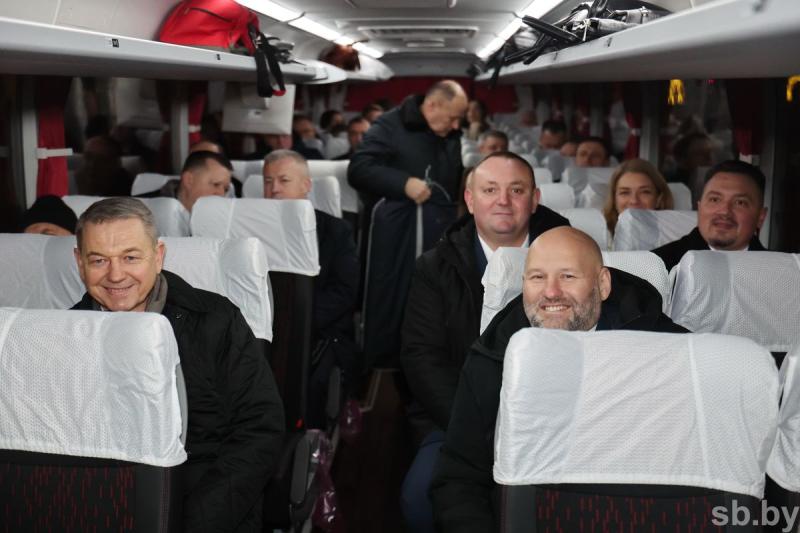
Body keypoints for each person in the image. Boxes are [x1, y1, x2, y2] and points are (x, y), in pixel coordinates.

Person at [430, 226, 688, 533]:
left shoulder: (668, 352)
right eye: (537, 277)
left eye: (567, 276)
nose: (551, 292)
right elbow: (460, 478)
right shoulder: (492, 358)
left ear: (603, 284)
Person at [70, 197, 285, 532]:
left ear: (158, 256)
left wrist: (190, 524)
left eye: (130, 257)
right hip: (101, 503)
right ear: (80, 263)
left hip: (207, 504)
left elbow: (259, 430)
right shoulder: (65, 335)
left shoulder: (216, 320)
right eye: (99, 260)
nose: (116, 275)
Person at [400, 152, 569, 533]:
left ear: (535, 199)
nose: (503, 201)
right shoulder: (435, 267)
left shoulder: (573, 259)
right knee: (419, 499)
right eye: (490, 190)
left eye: (516, 190)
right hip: (455, 416)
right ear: (470, 199)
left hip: (552, 421)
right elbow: (422, 358)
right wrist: (477, 428)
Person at [348, 79, 468, 368]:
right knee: (394, 307)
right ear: (433, 105)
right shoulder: (390, 125)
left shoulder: (449, 133)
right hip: (396, 237)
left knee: (435, 308)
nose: (456, 126)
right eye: (452, 117)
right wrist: (403, 183)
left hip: (438, 232)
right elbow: (359, 169)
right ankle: (386, 373)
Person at [262, 150, 360, 427]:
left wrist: (293, 324)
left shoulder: (335, 231)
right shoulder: (251, 229)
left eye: (283, 180)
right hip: (262, 330)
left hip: (318, 330)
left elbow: (345, 292)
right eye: (268, 181)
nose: (274, 189)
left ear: (306, 186)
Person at [652, 160, 768, 270]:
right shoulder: (656, 267)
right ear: (699, 208)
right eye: (715, 200)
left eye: (740, 202)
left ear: (760, 217)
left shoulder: (776, 269)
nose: (724, 211)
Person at [138, 150, 232, 212]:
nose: (221, 194)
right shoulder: (140, 210)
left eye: (226, 189)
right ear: (189, 180)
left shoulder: (224, 221)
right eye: (216, 184)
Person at [603, 158, 674, 235]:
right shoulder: (599, 237)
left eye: (644, 192)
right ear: (614, 199)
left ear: (658, 199)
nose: (634, 201)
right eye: (625, 192)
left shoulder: (675, 237)